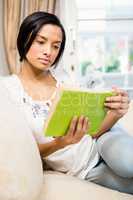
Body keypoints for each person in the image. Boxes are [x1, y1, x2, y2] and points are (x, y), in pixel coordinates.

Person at [1, 11, 133, 194]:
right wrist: (61, 143)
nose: (49, 52)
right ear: (24, 39)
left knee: (128, 164)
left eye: (56, 46)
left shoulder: (64, 79)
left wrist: (116, 114)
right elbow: (24, 151)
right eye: (41, 42)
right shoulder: (7, 90)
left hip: (104, 139)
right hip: (85, 169)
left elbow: (93, 131)